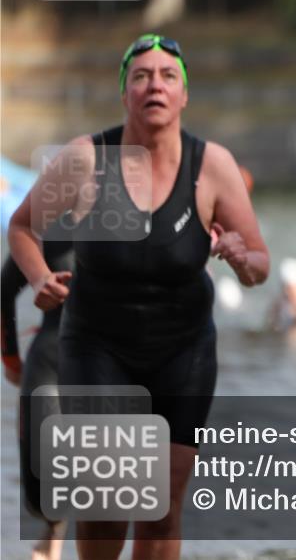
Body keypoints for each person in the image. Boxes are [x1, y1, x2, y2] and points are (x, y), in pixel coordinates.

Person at [7, 33, 270, 560]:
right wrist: (39, 279)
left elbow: (260, 265)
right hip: (98, 347)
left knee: (161, 507)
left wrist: (243, 258)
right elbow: (21, 228)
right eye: (142, 76)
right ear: (124, 92)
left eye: (168, 76)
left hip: (183, 349)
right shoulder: (85, 160)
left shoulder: (212, 166)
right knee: (106, 503)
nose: (155, 85)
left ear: (184, 95)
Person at [2, 217, 73, 560]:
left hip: (117, 360)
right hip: (52, 356)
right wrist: (12, 361)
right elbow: (5, 290)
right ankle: (52, 533)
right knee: (41, 494)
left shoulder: (145, 225)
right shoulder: (45, 231)